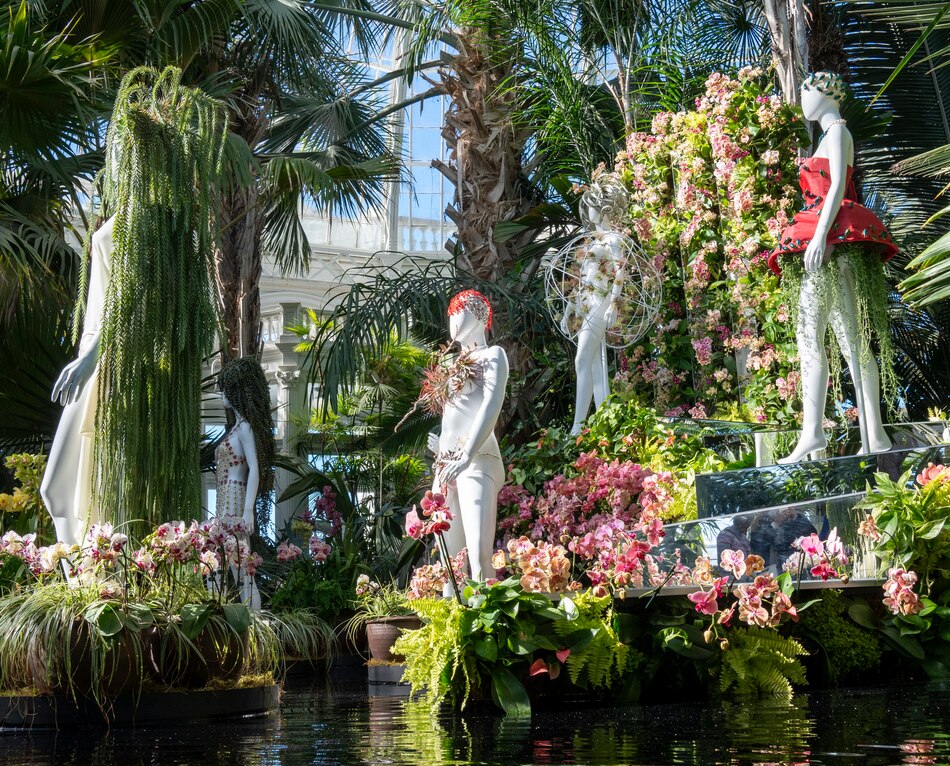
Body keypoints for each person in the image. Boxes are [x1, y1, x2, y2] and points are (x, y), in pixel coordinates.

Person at [769, 72, 897, 464]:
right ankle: (865, 436)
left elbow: (839, 185)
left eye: (805, 93)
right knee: (840, 339)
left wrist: (821, 236)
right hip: (826, 237)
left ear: (824, 93)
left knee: (831, 338)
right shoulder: (828, 136)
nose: (802, 102)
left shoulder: (839, 132)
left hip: (832, 239)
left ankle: (847, 435)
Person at [424, 290, 509, 582]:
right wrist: (442, 449)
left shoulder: (492, 356)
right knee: (450, 561)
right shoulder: (451, 367)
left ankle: (486, 622)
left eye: (456, 312)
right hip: (446, 463)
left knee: (477, 554)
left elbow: (491, 405)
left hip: (477, 459)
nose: (451, 320)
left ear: (477, 314)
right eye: (450, 314)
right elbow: (451, 415)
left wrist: (467, 453)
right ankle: (447, 623)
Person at [561, 175, 630, 436]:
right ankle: (604, 420)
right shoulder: (593, 240)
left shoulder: (612, 239)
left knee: (582, 360)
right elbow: (582, 279)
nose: (587, 211)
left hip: (601, 301)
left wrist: (614, 303)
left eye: (590, 204)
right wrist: (570, 308)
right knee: (592, 365)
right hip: (586, 302)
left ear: (602, 207)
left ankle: (577, 427)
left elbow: (620, 270)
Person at [215, 357, 275, 609]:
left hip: (236, 498)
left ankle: (256, 623)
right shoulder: (236, 428)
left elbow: (255, 469)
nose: (222, 395)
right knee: (225, 564)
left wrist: (248, 509)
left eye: (225, 389)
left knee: (242, 565)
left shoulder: (245, 429)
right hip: (224, 500)